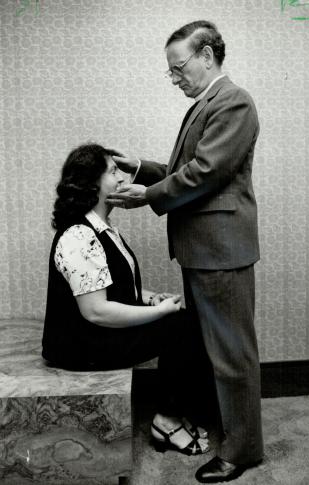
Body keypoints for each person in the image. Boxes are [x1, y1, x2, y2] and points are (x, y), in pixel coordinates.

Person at [107, 20, 264, 483]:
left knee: (232, 354)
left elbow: (206, 173)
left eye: (178, 68)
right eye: (171, 72)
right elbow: (185, 168)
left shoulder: (232, 101)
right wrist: (138, 166)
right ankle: (224, 431)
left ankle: (242, 452)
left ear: (207, 55)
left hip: (221, 250)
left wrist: (148, 195)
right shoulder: (207, 104)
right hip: (205, 250)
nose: (174, 78)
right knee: (212, 350)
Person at [41, 143, 210, 456]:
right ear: (91, 184)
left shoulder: (101, 228)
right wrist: (158, 312)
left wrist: (149, 298)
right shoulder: (80, 235)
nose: (122, 177)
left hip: (94, 334)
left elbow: (117, 287)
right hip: (81, 345)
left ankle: (172, 412)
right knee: (180, 327)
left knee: (184, 320)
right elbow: (97, 312)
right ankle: (166, 421)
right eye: (112, 171)